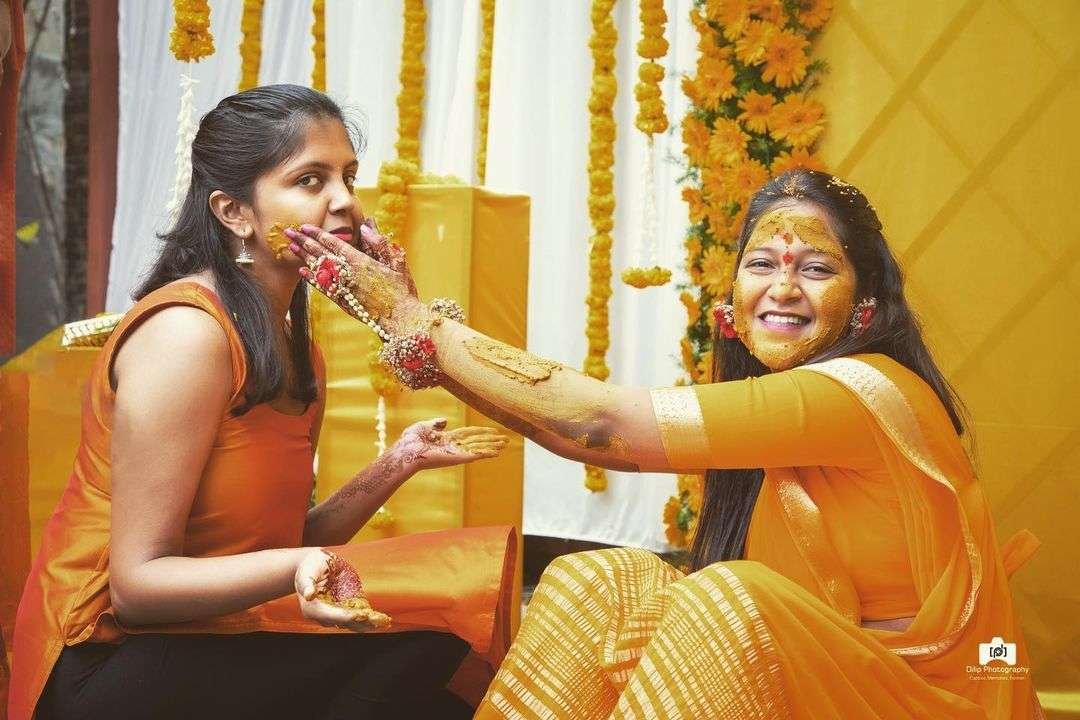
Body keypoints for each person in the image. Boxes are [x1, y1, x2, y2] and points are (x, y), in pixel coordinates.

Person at [288, 168, 1043, 719]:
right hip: (828, 686)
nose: (783, 288)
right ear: (732, 300)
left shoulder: (860, 390)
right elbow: (573, 436)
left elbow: (600, 426)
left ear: (866, 305)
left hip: (927, 700)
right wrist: (405, 328)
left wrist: (413, 321)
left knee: (727, 598)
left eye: (816, 269)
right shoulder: (784, 406)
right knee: (600, 583)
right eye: (762, 265)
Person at [7, 84, 513, 720]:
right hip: (102, 658)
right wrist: (300, 563)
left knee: (435, 658)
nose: (345, 202)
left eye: (349, 176)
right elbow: (137, 588)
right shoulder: (189, 335)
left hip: (204, 639)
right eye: (310, 180)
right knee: (422, 645)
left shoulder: (296, 347)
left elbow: (280, 546)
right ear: (234, 212)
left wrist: (397, 463)